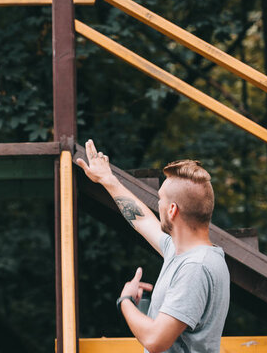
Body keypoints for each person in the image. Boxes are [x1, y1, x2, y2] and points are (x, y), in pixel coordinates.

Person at [76, 140, 230, 353]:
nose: (158, 205)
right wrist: (107, 179)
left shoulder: (195, 267)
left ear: (172, 210)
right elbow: (141, 220)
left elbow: (156, 340)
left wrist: (125, 300)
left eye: (160, 200)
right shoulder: (181, 252)